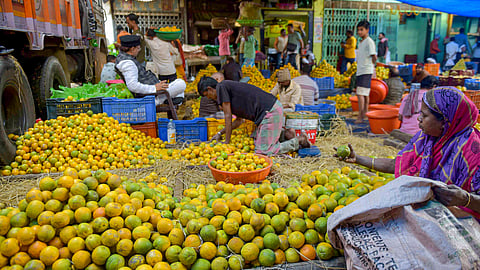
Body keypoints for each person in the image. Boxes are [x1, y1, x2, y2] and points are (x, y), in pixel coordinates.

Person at [336, 86, 480, 218]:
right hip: (432, 214)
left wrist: (465, 199)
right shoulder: (427, 138)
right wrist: (357, 159)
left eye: (424, 115)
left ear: (444, 121)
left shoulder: (473, 151)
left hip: (464, 219)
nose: (419, 119)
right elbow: (396, 165)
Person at [197, 77, 310, 155]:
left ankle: (299, 140)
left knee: (263, 151)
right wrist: (219, 133)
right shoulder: (230, 92)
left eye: (207, 95)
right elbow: (238, 121)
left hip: (269, 112)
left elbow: (227, 116)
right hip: (269, 111)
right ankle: (286, 134)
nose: (209, 98)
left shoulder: (221, 87)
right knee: (254, 139)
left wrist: (227, 142)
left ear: (210, 89)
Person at [115, 35, 186, 106]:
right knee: (181, 84)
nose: (139, 51)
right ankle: (158, 100)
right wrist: (154, 88)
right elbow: (133, 86)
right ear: (132, 49)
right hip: (151, 94)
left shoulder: (124, 57)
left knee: (179, 88)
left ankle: (167, 99)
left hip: (153, 87)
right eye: (138, 48)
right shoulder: (128, 63)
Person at [355, 20, 377, 123]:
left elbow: (374, 56)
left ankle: (361, 116)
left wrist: (373, 68)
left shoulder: (369, 41)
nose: (359, 32)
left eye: (361, 30)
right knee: (365, 94)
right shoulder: (361, 42)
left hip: (365, 70)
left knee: (360, 94)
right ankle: (364, 114)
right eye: (358, 30)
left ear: (367, 30)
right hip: (361, 70)